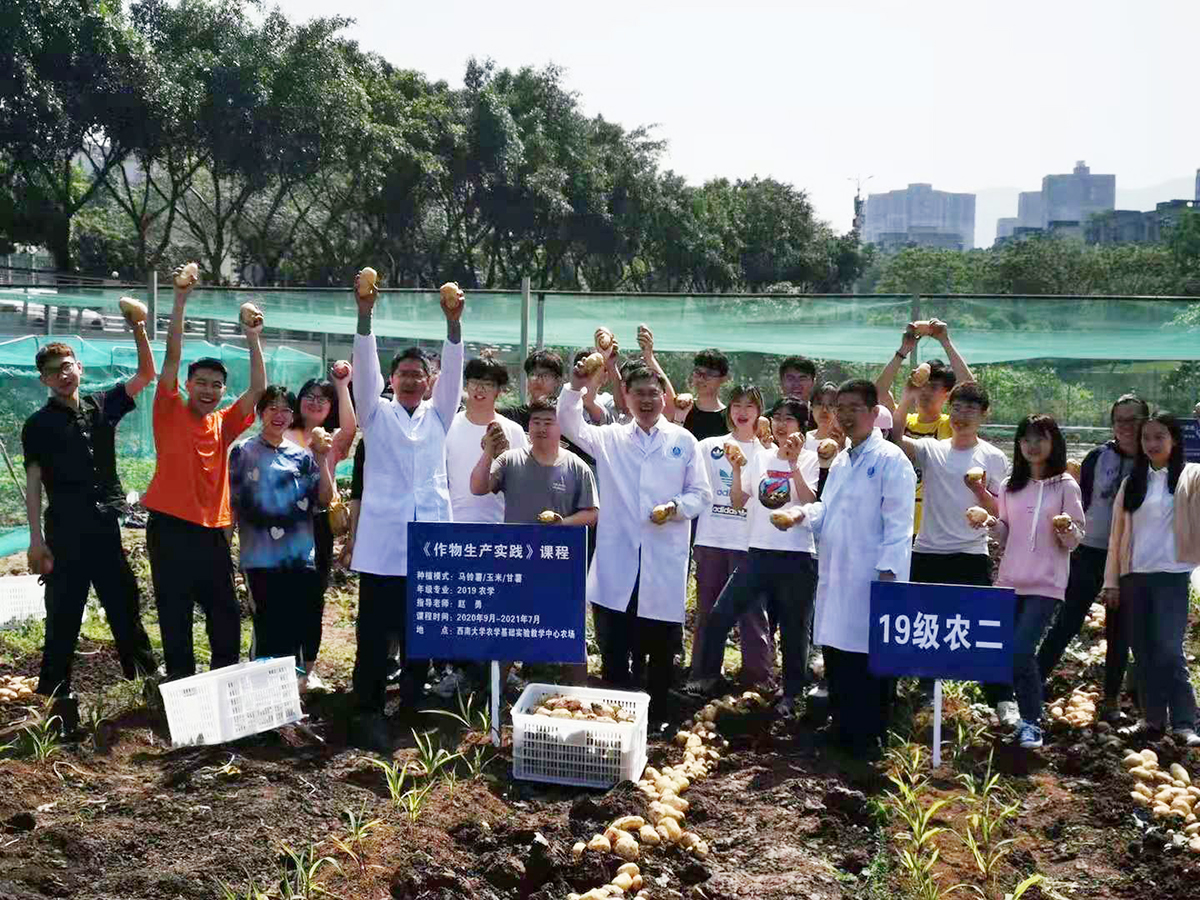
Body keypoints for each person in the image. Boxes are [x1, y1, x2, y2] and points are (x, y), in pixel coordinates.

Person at [22, 327, 158, 732]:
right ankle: (57, 703)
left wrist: (138, 328)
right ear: (44, 380)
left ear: (79, 367)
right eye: (53, 371)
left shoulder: (102, 406)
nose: (62, 375)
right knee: (63, 615)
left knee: (124, 605)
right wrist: (35, 540)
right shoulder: (38, 425)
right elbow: (33, 484)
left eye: (67, 366)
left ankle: (147, 689)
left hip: (104, 528)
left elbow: (146, 374)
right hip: (65, 532)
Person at [557, 362, 711, 722]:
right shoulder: (609, 438)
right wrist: (576, 384)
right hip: (619, 555)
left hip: (663, 556)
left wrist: (674, 508)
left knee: (660, 646)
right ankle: (614, 718)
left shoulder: (683, 440)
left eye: (653, 393)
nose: (646, 400)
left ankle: (656, 718)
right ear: (625, 396)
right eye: (638, 393)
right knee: (614, 643)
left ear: (663, 397)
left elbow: (701, 493)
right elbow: (569, 422)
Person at [349, 273, 464, 748]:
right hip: (382, 544)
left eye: (419, 374)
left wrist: (453, 325)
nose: (412, 380)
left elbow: (455, 374)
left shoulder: (440, 414)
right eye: (404, 374)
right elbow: (363, 369)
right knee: (375, 633)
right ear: (391, 381)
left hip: (429, 542)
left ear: (429, 381)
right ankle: (368, 709)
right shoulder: (375, 414)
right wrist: (365, 315)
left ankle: (414, 705)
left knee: (424, 630)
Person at [142, 265, 265, 680]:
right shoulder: (169, 408)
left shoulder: (223, 423)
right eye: (201, 382)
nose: (208, 390)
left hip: (212, 533)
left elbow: (258, 391)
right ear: (188, 384)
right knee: (174, 612)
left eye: (216, 385)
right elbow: (172, 355)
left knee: (224, 613)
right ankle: (180, 684)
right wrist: (180, 298)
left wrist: (253, 337)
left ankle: (222, 682)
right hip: (170, 527)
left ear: (222, 391)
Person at [890, 377, 1014, 725]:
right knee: (922, 624)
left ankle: (1002, 699)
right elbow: (895, 438)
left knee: (984, 627)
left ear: (984, 414)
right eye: (956, 408)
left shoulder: (993, 457)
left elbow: (1001, 510)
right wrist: (907, 397)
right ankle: (925, 690)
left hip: (971, 553)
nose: (962, 415)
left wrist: (980, 495)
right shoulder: (933, 449)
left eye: (970, 409)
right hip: (927, 550)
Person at [805, 379, 916, 756]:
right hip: (838, 572)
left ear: (874, 413)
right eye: (842, 408)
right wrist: (801, 516)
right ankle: (841, 728)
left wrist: (888, 575)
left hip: (872, 576)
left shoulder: (891, 460)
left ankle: (869, 737)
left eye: (855, 408)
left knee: (869, 658)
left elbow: (900, 526)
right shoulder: (840, 460)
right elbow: (826, 509)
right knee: (838, 652)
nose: (846, 415)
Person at [689, 397, 819, 715]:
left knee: (794, 629)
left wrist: (792, 465)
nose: (781, 424)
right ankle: (707, 679)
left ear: (802, 426)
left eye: (789, 419)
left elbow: (809, 499)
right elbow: (738, 501)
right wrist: (736, 470)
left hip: (797, 555)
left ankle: (791, 695)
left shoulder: (810, 458)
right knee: (720, 614)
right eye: (777, 418)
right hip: (758, 552)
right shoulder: (760, 457)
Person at [470, 396, 599, 685]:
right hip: (516, 563)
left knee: (569, 632)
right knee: (508, 630)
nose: (541, 428)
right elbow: (477, 487)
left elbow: (592, 513)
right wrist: (488, 451)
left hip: (560, 565)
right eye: (536, 421)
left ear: (561, 427)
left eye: (548, 422)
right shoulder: (510, 460)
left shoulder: (577, 467)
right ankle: (493, 697)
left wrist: (563, 523)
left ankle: (580, 694)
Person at [977, 415, 1085, 749]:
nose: (1032, 446)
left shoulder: (1066, 485)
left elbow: (1075, 540)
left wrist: (1066, 528)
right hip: (1010, 581)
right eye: (1026, 439)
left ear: (1054, 443)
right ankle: (1022, 714)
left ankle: (1032, 722)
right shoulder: (1011, 486)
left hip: (1046, 584)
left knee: (1021, 651)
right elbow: (1006, 536)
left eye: (1040, 439)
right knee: (1006, 652)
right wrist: (989, 523)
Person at [1037, 394, 1147, 720]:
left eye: (1133, 419)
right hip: (1090, 551)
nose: (1125, 426)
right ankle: (1034, 680)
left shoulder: (1152, 459)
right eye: (1119, 420)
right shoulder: (1098, 456)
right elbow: (1080, 500)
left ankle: (1111, 699)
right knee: (1067, 619)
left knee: (1120, 628)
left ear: (1145, 421)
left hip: (1130, 557)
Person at [1102, 412, 1200, 746]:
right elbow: (1116, 536)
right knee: (1143, 651)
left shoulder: (1191, 476)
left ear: (1174, 440)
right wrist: (1112, 581)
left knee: (1169, 651)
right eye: (1146, 437)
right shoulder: (1133, 483)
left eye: (1160, 437)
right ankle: (1153, 720)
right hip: (1134, 577)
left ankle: (1185, 722)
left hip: (1172, 576)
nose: (1152, 443)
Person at [230, 387, 334, 674]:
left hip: (298, 556)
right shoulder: (243, 452)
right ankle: (263, 690)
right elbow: (231, 505)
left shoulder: (301, 456)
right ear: (260, 412)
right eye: (272, 408)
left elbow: (325, 499)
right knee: (266, 624)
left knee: (295, 624)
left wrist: (322, 457)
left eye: (286, 409)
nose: (279, 415)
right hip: (260, 556)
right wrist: (226, 549)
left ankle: (290, 689)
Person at [687, 386, 773, 688]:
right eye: (737, 405)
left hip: (751, 544)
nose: (742, 412)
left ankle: (758, 680)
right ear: (729, 410)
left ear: (759, 411)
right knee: (708, 611)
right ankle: (703, 674)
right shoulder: (709, 446)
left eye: (750, 406)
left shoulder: (767, 454)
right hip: (712, 540)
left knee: (752, 613)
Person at [284, 365, 356, 689]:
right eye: (310, 396)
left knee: (313, 596)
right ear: (299, 400)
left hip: (318, 523)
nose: (315, 402)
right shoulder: (284, 433)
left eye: (323, 399)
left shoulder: (331, 440)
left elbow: (351, 427)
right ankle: (281, 664)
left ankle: (307, 669)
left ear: (330, 408)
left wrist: (342, 385)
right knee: (284, 594)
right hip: (284, 523)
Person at [875, 319, 974, 534]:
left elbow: (972, 391)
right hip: (898, 526)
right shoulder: (902, 417)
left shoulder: (951, 425)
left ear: (947, 394)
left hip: (936, 529)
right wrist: (904, 350)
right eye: (923, 385)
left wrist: (945, 341)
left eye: (934, 387)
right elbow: (878, 394)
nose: (925, 391)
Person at [444, 356, 529, 526]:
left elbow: (522, 483)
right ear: (466, 385)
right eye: (475, 382)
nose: (480, 389)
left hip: (500, 525)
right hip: (453, 524)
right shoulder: (448, 426)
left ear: (498, 390)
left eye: (488, 384)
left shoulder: (514, 430)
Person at [674, 349, 731, 442]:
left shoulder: (731, 418)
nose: (701, 378)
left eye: (709, 374)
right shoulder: (682, 407)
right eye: (698, 372)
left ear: (724, 378)